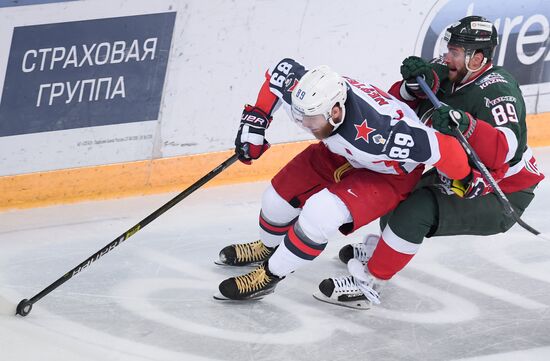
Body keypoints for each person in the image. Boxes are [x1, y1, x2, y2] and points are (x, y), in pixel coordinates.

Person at [213, 56, 476, 305]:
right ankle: (268, 248)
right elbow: (279, 71)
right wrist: (256, 123)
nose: (306, 124)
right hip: (340, 153)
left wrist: (465, 178)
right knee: (276, 200)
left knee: (319, 215)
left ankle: (269, 276)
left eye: (312, 119)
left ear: (336, 111)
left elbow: (445, 149)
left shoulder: (384, 134)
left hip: (387, 175)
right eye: (302, 116)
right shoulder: (313, 97)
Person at [327, 15, 545, 308]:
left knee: (418, 210)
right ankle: (383, 250)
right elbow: (397, 106)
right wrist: (410, 88)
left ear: (478, 58)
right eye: (449, 49)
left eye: (455, 52)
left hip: (502, 189)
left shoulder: (498, 90)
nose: (447, 57)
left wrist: (465, 123)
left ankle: (370, 281)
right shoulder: (448, 70)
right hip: (464, 173)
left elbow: (506, 149)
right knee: (398, 193)